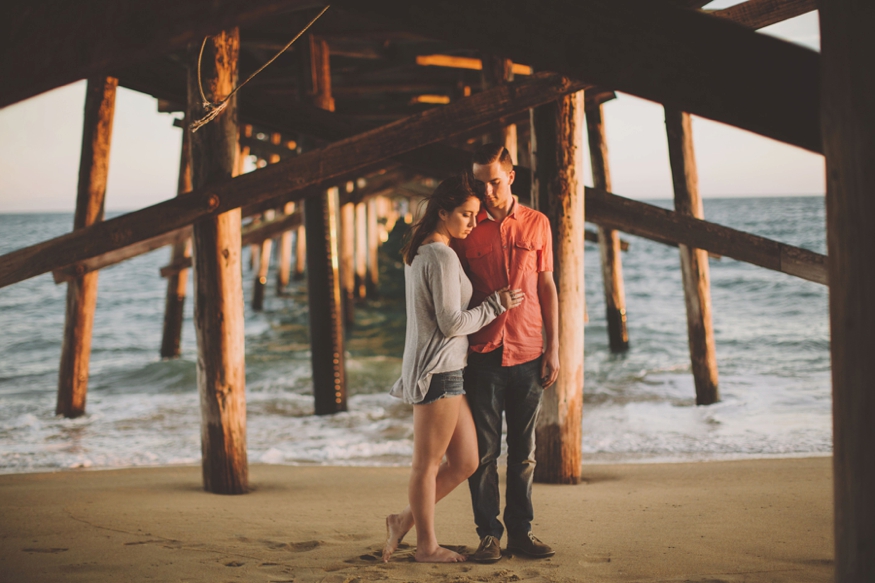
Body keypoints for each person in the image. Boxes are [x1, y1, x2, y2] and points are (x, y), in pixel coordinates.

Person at [383, 173, 524, 563]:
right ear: (442, 212)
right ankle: (426, 546)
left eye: (477, 215)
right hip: (437, 371)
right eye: (465, 214)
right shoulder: (441, 255)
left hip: (448, 370)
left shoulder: (425, 250)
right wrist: (496, 304)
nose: (472, 223)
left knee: (465, 461)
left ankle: (403, 521)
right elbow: (450, 323)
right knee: (425, 466)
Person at [450, 144, 560, 563]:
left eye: (494, 181)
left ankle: (521, 534)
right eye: (479, 182)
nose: (487, 189)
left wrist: (554, 347)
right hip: (482, 352)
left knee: (525, 453)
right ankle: (488, 536)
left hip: (530, 351)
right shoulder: (467, 228)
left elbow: (547, 286)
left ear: (511, 177)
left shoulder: (538, 223)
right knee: (483, 454)